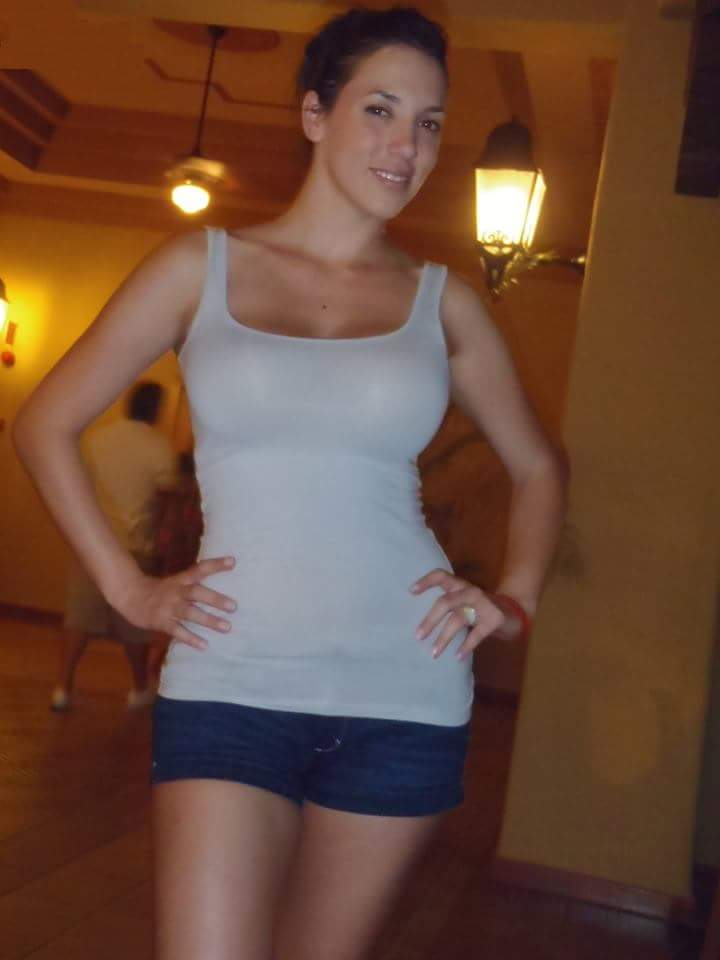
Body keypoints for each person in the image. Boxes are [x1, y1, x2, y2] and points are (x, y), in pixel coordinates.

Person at [13, 7, 568, 959]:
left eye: (429, 123)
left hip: (405, 692)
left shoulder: (445, 304)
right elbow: (43, 423)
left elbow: (539, 465)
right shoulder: (200, 267)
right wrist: (128, 589)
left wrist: (513, 602)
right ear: (315, 113)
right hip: (232, 680)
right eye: (380, 110)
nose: (407, 146)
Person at [50, 380, 177, 711]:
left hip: (93, 543)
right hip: (135, 547)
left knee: (79, 619)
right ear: (157, 408)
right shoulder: (159, 447)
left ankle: (62, 687)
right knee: (134, 628)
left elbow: (78, 487)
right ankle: (139, 688)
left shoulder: (97, 439)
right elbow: (166, 503)